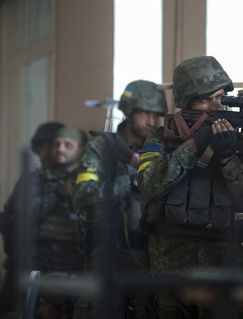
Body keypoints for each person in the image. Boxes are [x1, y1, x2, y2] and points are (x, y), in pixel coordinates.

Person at [137, 56, 243, 318]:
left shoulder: (240, 136)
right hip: (170, 261)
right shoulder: (160, 136)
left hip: (223, 261)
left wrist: (227, 158)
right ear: (186, 102)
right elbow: (149, 186)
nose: (215, 106)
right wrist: (192, 146)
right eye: (205, 99)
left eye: (221, 96)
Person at [72, 80, 167, 318]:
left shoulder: (162, 149)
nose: (152, 122)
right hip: (106, 252)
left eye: (157, 115)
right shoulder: (102, 147)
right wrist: (131, 181)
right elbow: (83, 195)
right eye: (144, 113)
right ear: (129, 112)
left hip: (150, 255)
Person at [0, 125, 87, 318]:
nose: (60, 149)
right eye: (57, 144)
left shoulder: (88, 181)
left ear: (81, 149)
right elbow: (20, 218)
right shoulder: (35, 179)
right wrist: (56, 193)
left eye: (67, 144)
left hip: (72, 266)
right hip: (33, 263)